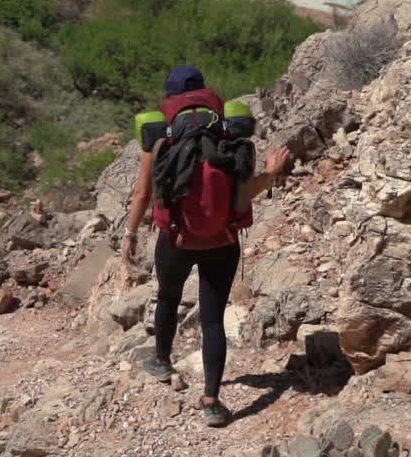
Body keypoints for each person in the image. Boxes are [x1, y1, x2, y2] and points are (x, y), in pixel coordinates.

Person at [122, 66, 290, 428]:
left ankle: (162, 362)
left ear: (171, 100)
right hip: (224, 242)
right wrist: (273, 172)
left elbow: (142, 194)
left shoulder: (160, 139)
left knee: (168, 297)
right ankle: (212, 402)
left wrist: (130, 234)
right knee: (212, 319)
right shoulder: (232, 137)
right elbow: (247, 193)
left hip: (177, 240)